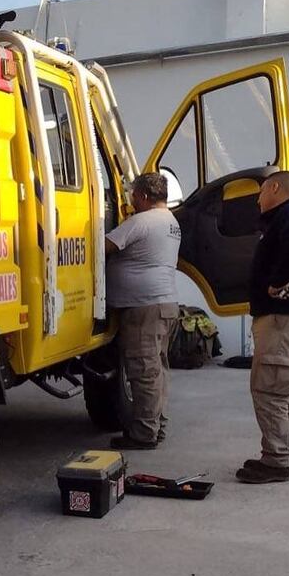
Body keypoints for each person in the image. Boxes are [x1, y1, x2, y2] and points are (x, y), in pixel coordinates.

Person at [236, 171, 289, 484]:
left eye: (260, 192)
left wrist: (276, 283)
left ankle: (275, 460)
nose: (258, 200)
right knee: (287, 386)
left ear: (274, 188)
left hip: (282, 317)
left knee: (270, 387)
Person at [104, 172, 182, 450]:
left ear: (145, 197)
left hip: (144, 308)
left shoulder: (141, 221)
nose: (131, 201)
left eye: (134, 196)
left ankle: (143, 433)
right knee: (158, 370)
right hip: (164, 305)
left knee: (144, 371)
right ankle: (156, 426)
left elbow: (104, 246)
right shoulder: (171, 222)